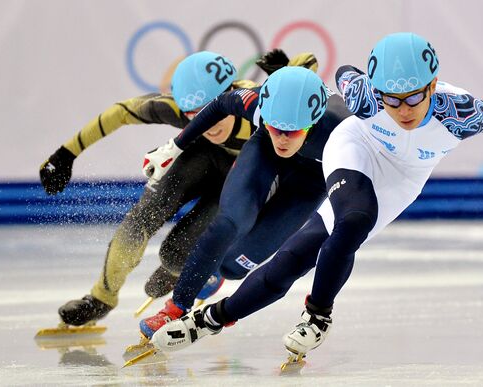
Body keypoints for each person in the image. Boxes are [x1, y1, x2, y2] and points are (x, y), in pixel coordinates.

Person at [148, 32, 483, 360]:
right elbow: (345, 74)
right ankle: (313, 317)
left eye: (413, 97)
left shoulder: (462, 116)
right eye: (392, 100)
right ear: (377, 91)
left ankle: (213, 316)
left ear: (433, 85)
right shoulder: (364, 99)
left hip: (404, 177)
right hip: (356, 149)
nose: (403, 110)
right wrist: (174, 146)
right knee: (352, 220)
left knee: (303, 252)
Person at [39, 50, 319, 327]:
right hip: (204, 160)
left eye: (210, 110)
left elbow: (307, 65)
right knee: (142, 218)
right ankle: (101, 298)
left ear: (229, 92)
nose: (208, 123)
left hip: (242, 179)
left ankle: (190, 269)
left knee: (175, 256)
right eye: (192, 114)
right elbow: (121, 112)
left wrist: (286, 75)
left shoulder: (253, 101)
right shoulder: (179, 111)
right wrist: (66, 154)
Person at [138, 65, 353, 339]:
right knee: (229, 222)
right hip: (264, 152)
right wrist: (175, 146)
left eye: (294, 131)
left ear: (313, 121)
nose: (283, 139)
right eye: (276, 128)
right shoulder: (256, 102)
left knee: (235, 265)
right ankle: (174, 308)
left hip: (312, 178)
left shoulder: (343, 125)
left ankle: (218, 273)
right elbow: (218, 105)